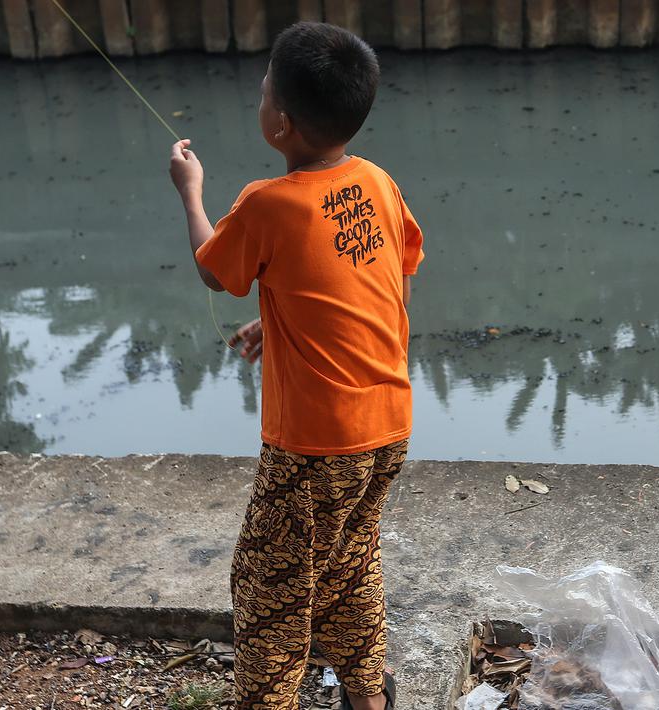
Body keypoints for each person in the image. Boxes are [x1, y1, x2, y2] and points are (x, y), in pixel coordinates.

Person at [168, 21, 424, 710]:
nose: (259, 102)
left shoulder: (266, 203)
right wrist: (280, 317)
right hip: (388, 425)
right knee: (348, 565)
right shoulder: (376, 180)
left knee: (269, 594)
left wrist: (190, 192)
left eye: (261, 93)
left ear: (279, 122)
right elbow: (379, 276)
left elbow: (213, 270)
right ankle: (368, 695)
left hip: (316, 446)